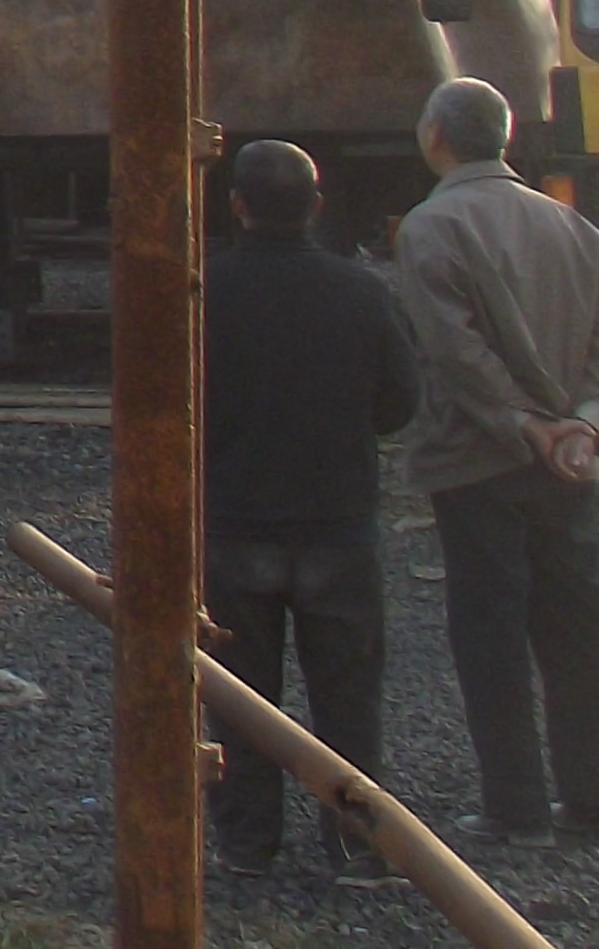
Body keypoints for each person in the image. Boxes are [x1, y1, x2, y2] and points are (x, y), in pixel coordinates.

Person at [395, 78, 599, 848]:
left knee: (491, 633)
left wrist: (519, 423)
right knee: (580, 629)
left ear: (437, 136)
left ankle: (515, 806)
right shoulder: (571, 226)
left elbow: (452, 348)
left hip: (477, 462)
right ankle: (598, 801)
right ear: (502, 137)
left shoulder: (432, 227)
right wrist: (587, 423)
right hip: (570, 462)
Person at [204, 139, 420, 879]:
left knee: (238, 697)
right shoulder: (359, 292)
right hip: (337, 522)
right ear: (317, 207)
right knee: (348, 694)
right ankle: (356, 841)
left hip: (236, 521)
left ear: (237, 205)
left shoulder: (204, 292)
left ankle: (244, 844)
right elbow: (401, 400)